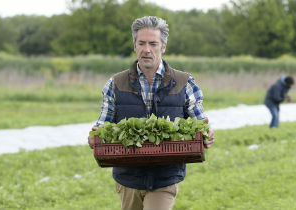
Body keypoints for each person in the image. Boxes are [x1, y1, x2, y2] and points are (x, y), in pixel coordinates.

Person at [86, 16, 215, 210]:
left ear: (163, 46)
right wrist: (96, 134)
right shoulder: (115, 84)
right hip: (128, 177)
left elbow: (199, 123)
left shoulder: (185, 83)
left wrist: (207, 134)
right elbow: (104, 123)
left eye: (153, 44)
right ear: (134, 45)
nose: (147, 49)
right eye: (142, 43)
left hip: (165, 177)